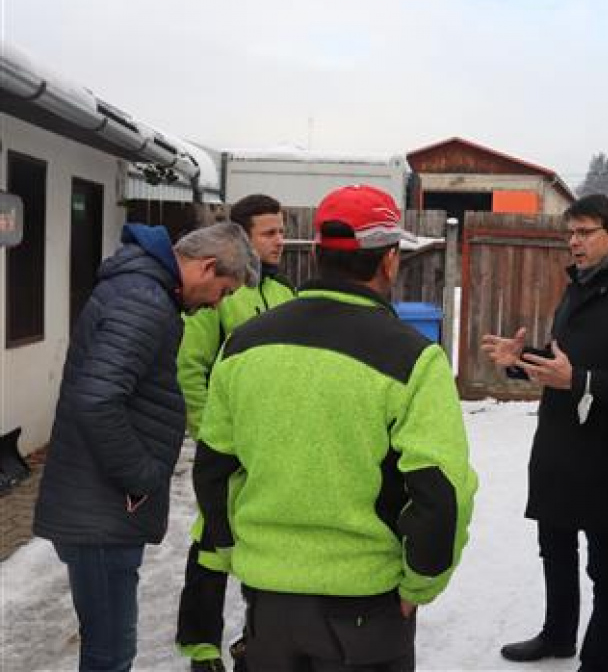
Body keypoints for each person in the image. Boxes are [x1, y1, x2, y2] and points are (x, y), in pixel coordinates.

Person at [194, 184, 478, 672]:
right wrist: (420, 584)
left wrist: (233, 548)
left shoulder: (243, 345)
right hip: (367, 612)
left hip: (268, 609)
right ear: (390, 260)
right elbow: (442, 491)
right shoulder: (413, 358)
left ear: (319, 254)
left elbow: (214, 468)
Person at [33, 221, 259, 672]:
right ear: (207, 267)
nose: (219, 303)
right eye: (225, 291)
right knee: (110, 653)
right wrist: (140, 477)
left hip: (99, 504)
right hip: (101, 509)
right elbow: (97, 400)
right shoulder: (144, 300)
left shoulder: (145, 293)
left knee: (107, 646)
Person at [482, 194, 608, 672]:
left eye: (585, 232)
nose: (574, 242)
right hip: (557, 446)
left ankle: (599, 661)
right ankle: (557, 635)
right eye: (570, 233)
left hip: (607, 458)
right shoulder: (576, 291)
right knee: (554, 548)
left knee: (606, 568)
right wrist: (520, 360)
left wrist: (581, 380)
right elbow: (560, 362)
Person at [175, 194, 295, 672]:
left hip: (271, 451)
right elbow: (191, 367)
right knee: (211, 542)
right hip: (227, 450)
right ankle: (201, 646)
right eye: (270, 233)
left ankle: (256, 637)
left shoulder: (288, 295)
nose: (280, 241)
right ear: (241, 238)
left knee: (264, 542)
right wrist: (212, 438)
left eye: (282, 231)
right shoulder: (221, 291)